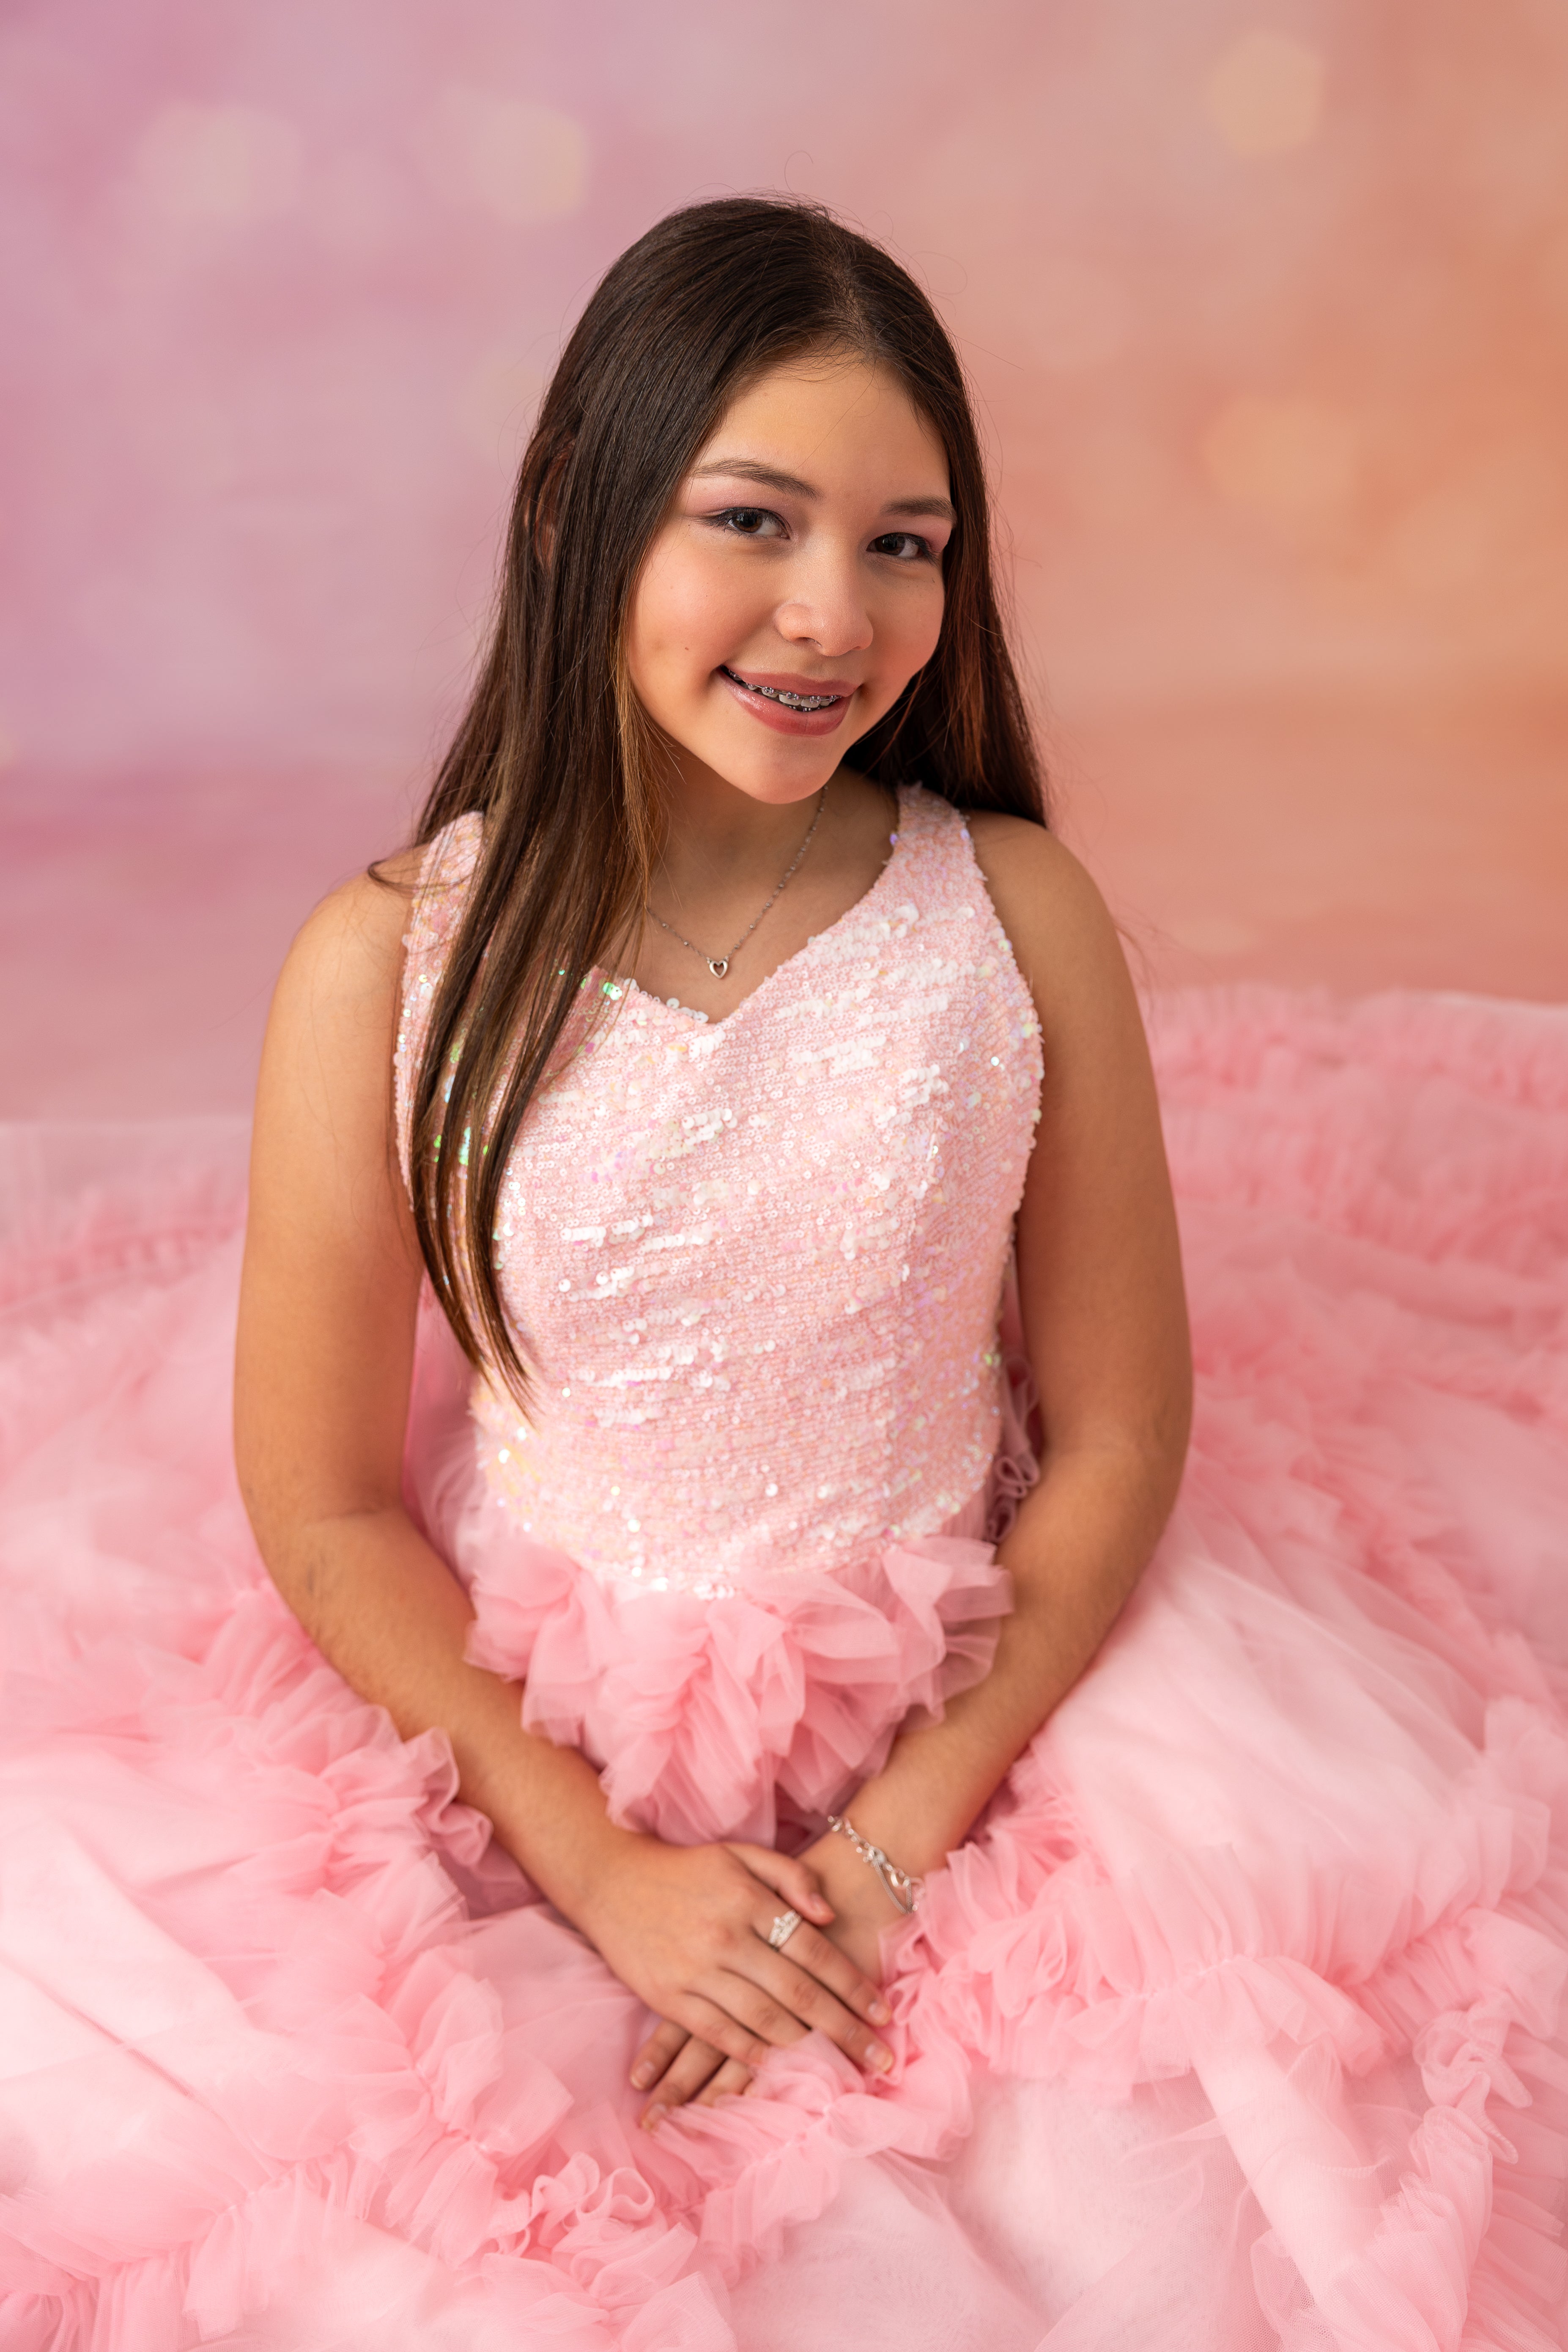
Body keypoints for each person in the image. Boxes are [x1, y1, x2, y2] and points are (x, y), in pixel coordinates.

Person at [1, 197, 1565, 2351]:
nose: (835, 614)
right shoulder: (385, 960)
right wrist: (590, 1857)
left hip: (977, 1678)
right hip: (547, 1704)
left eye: (907, 543)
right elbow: (330, 1495)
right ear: (578, 519)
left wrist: (914, 1826)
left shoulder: (1011, 914)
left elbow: (1116, 1421)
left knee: (1162, 2178)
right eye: (756, 521)